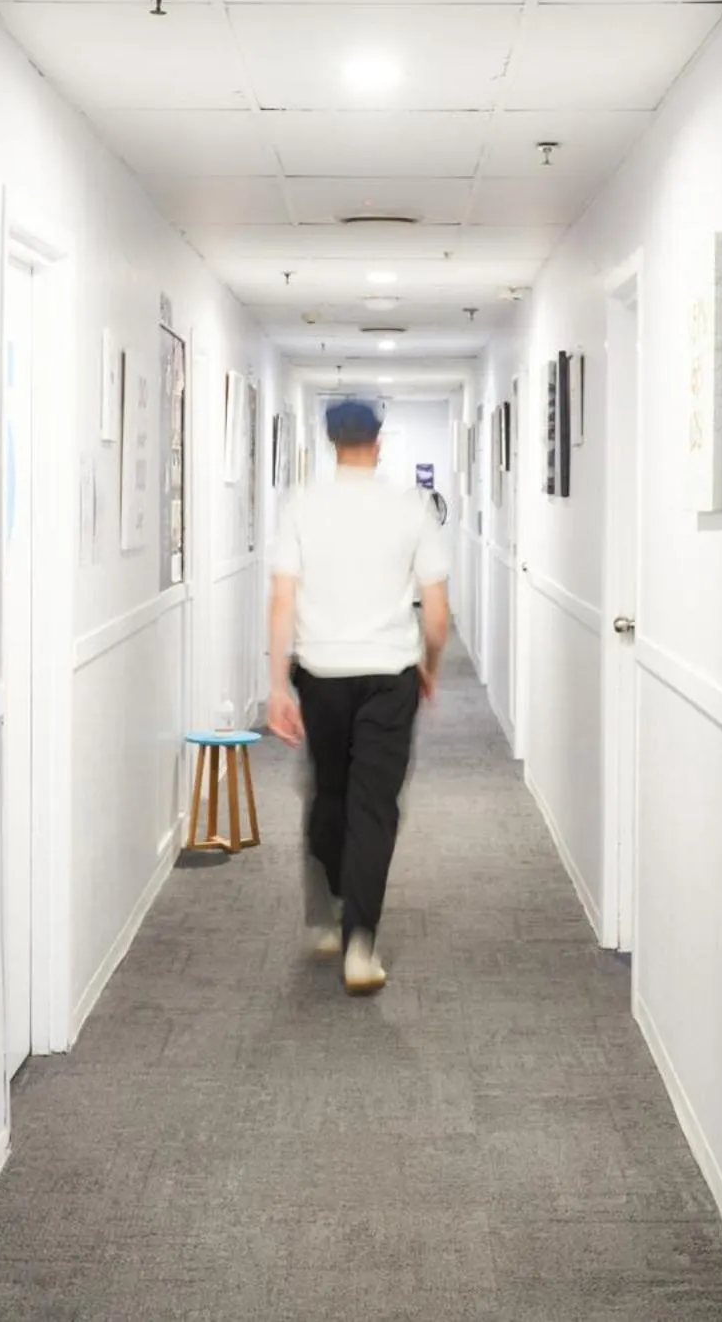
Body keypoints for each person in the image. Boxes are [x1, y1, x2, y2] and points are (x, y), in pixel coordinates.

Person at [267, 398, 450, 995]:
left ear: (330, 442)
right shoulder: (411, 507)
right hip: (388, 674)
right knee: (374, 805)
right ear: (379, 443)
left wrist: (276, 686)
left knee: (330, 791)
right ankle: (360, 944)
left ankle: (328, 912)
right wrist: (430, 668)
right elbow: (437, 613)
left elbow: (282, 601)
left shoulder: (301, 504)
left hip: (320, 672)